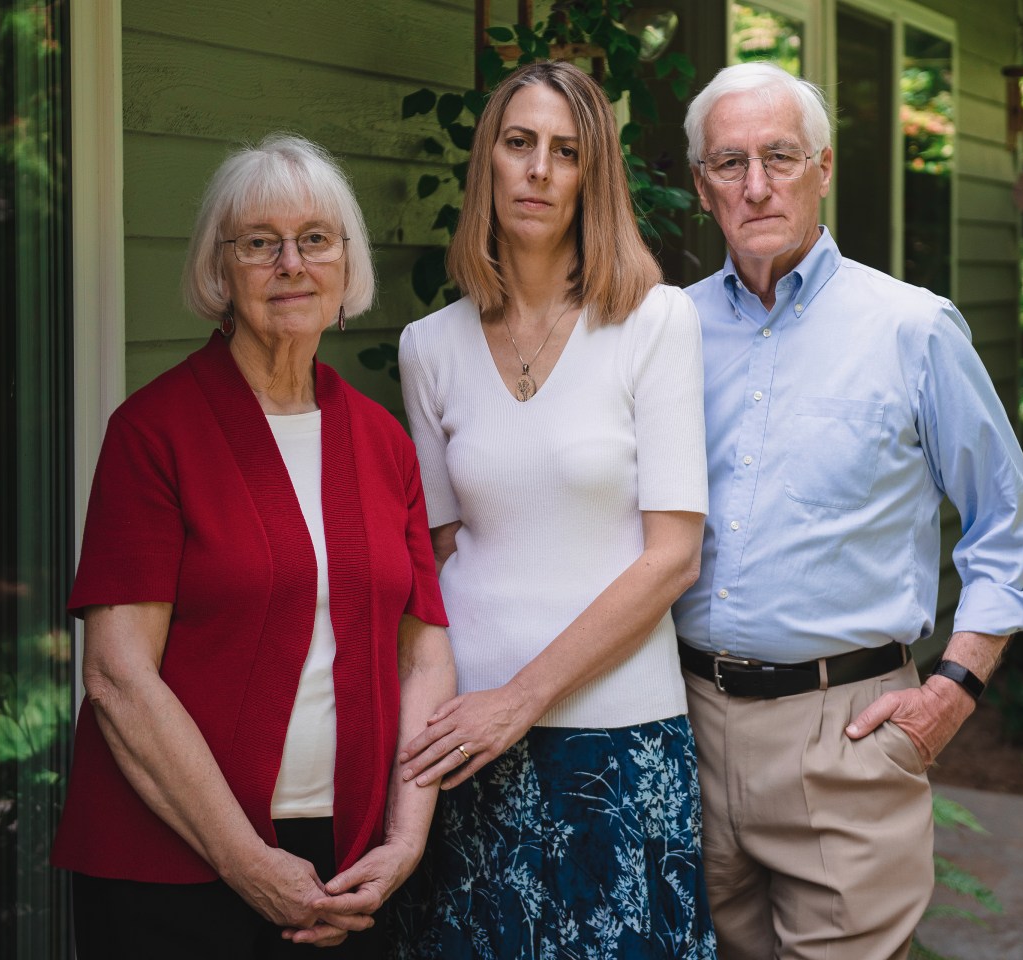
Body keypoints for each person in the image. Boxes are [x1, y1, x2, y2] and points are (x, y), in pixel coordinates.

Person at [673, 61, 1023, 960]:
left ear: (824, 167)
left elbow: (1009, 522)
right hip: (682, 729)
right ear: (700, 184)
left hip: (846, 730)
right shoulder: (666, 332)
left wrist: (952, 692)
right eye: (729, 163)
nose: (756, 185)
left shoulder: (911, 329)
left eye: (780, 157)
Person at [51, 133, 456, 959]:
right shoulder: (153, 434)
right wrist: (247, 862)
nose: (290, 264)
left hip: (350, 869)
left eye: (315, 239)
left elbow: (426, 660)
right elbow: (118, 676)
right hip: (171, 873)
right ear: (219, 270)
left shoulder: (383, 444)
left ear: (346, 266)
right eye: (259, 244)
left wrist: (404, 840)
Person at [392, 61, 717, 958]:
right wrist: (482, 711)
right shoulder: (429, 347)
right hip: (466, 750)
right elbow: (449, 547)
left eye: (566, 152)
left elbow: (672, 558)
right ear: (488, 163)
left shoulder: (656, 324)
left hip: (616, 741)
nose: (538, 170)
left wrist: (521, 699)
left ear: (592, 177)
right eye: (518, 143)